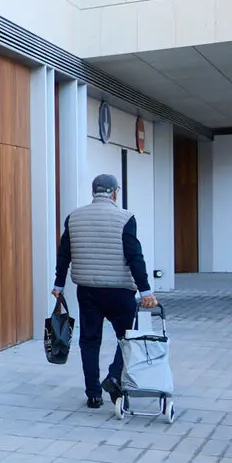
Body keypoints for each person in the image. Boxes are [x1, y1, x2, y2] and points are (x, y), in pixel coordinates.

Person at [53, 174, 158, 409]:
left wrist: (58, 285)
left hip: (88, 291)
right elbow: (134, 256)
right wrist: (146, 291)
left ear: (93, 192)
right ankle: (113, 376)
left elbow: (64, 254)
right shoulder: (125, 218)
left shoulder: (74, 217)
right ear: (115, 193)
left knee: (89, 341)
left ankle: (93, 394)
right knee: (128, 338)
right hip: (120, 292)